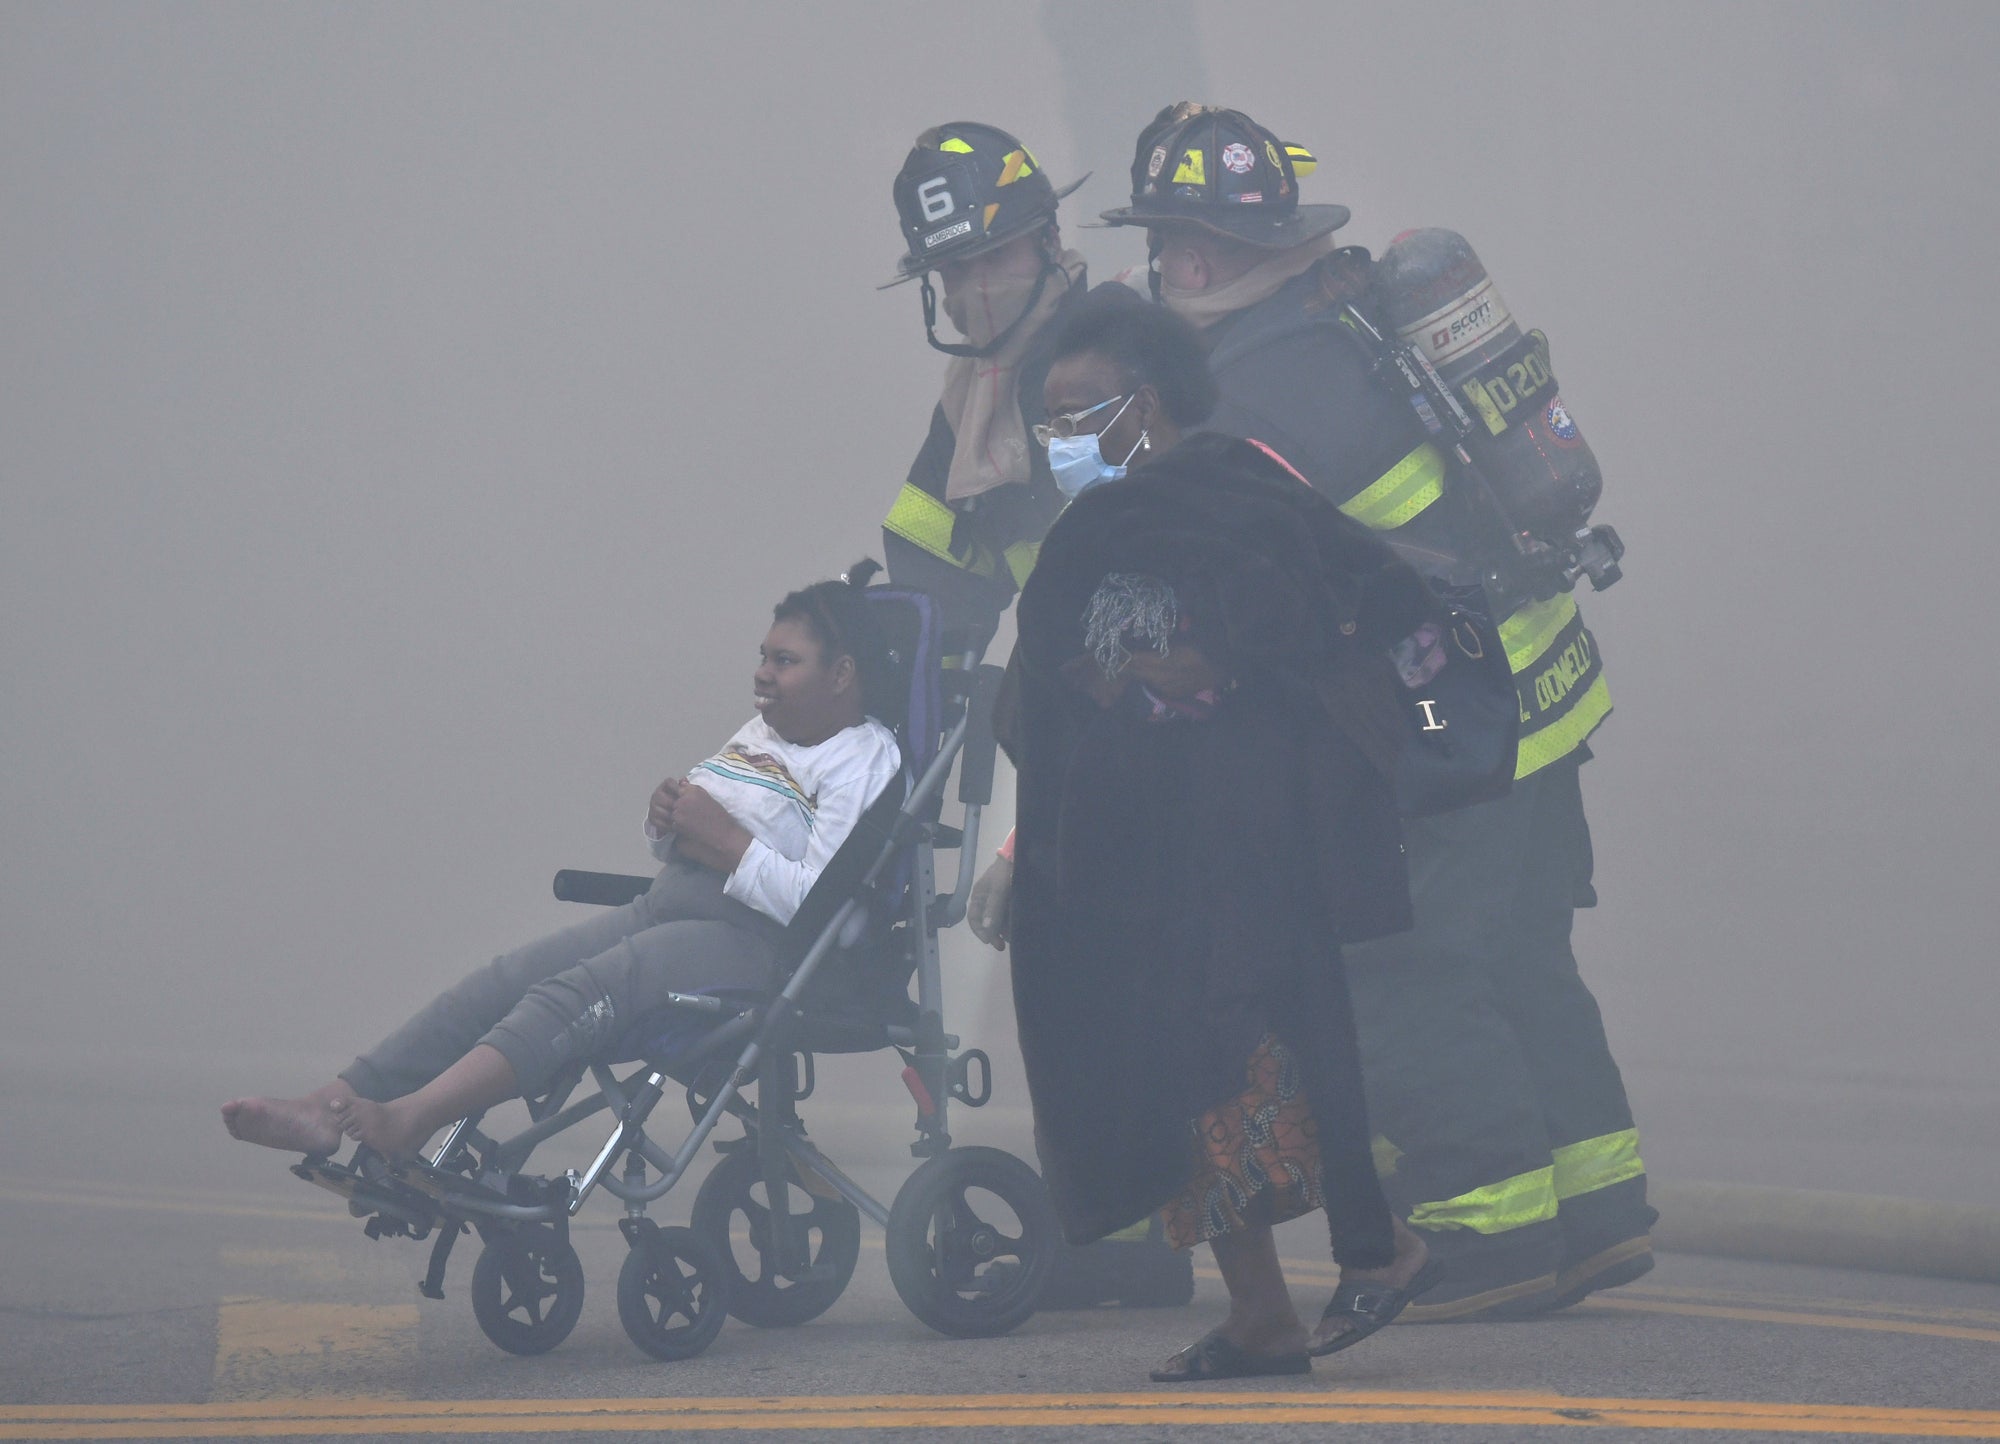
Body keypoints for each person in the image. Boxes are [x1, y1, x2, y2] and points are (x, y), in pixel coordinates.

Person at [1095, 102, 1655, 1321]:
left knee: (1399, 963)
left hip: (1449, 722)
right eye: (1164, 238)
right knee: (1518, 954)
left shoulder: (1248, 387)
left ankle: (1487, 1226)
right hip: (1544, 688)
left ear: (1199, 253)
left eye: (1179, 239)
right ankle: (1598, 1208)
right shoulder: (1339, 308)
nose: (1170, 263)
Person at [1007, 433, 1439, 1381]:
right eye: (1052, 414)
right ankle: (1263, 1313)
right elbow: (1044, 709)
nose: (1063, 436)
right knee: (1178, 1076)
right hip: (1136, 869)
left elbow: (1318, 637)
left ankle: (1372, 1248)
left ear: (1146, 402)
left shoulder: (1240, 507)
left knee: (1254, 1058)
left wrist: (1207, 672)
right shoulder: (1085, 547)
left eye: (1085, 408)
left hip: (1243, 857)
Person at [221, 579, 900, 1159]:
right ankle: (330, 1103)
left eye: (785, 661)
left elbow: (811, 902)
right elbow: (686, 838)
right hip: (674, 902)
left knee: (576, 993)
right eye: (763, 656)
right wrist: (666, 821)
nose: (762, 674)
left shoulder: (864, 761)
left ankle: (410, 1120)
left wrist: (719, 837)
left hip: (756, 943)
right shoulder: (762, 733)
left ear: (840, 675)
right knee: (501, 983)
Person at [876, 121, 1088, 652]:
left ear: (1050, 238)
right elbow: (933, 577)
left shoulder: (1122, 356)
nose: (980, 289)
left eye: (995, 257)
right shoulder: (968, 407)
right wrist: (920, 693)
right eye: (955, 271)